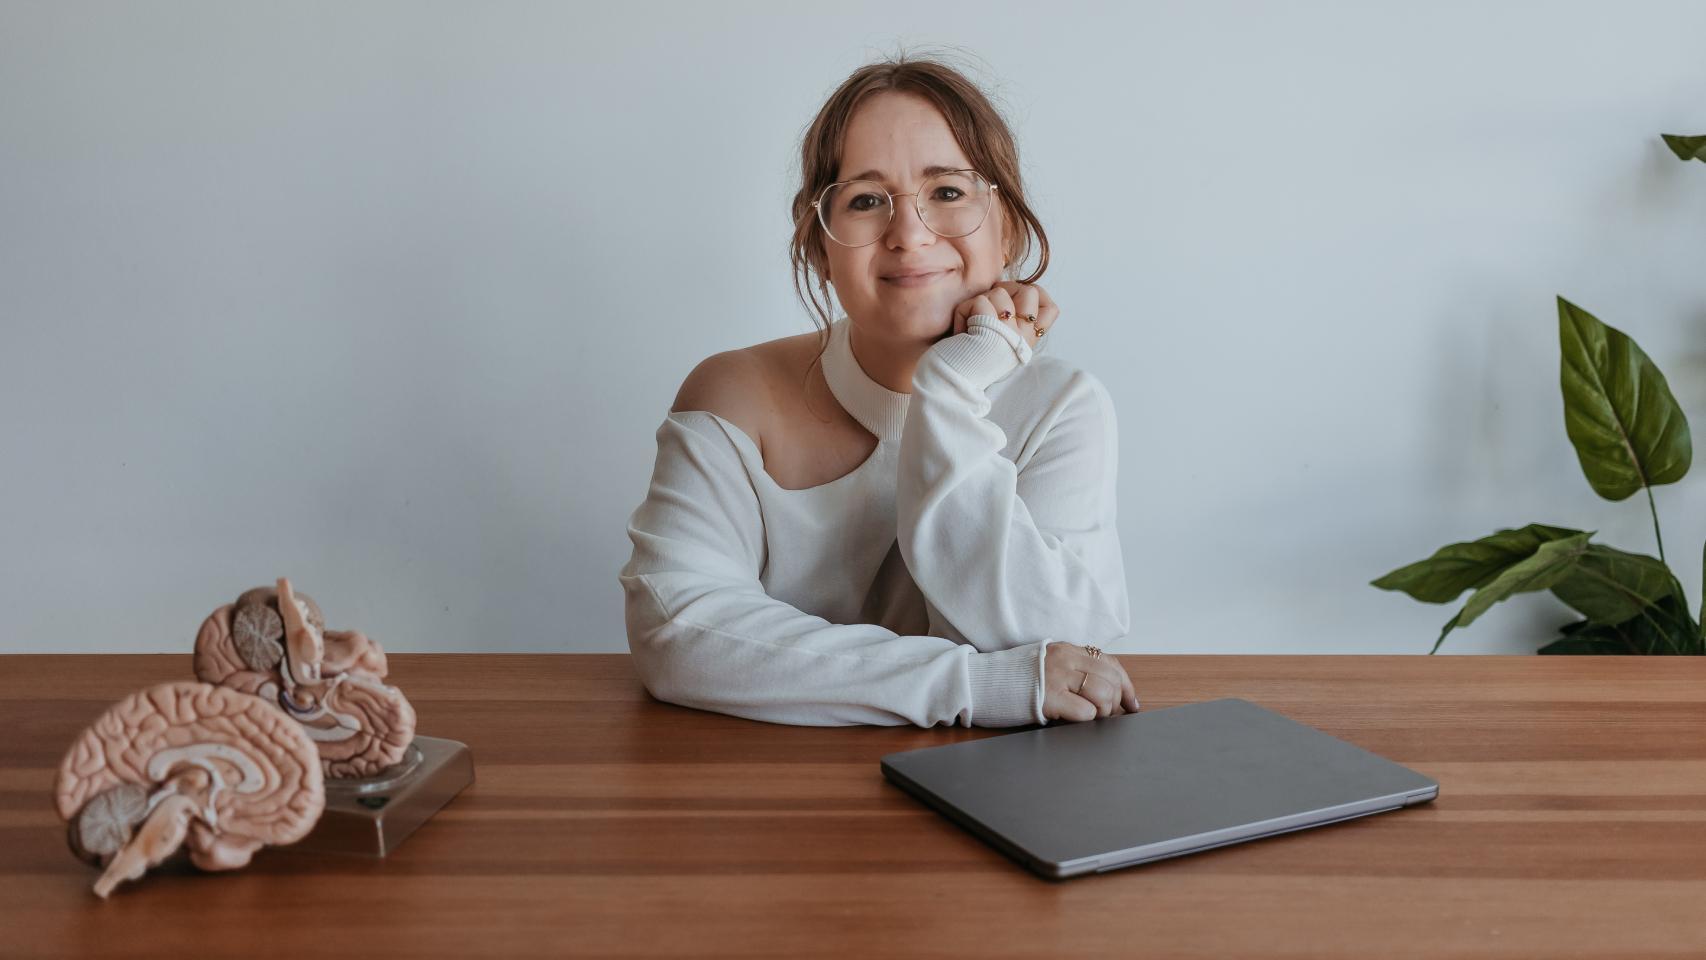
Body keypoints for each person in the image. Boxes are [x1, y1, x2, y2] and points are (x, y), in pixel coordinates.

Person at [617, 54, 1138, 727]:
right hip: (760, 778)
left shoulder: (1062, 407)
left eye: (947, 191)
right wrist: (973, 684)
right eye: (866, 200)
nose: (909, 234)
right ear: (818, 244)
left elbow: (1056, 647)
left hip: (990, 781)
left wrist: (950, 390)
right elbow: (679, 633)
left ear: (1007, 225)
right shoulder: (736, 396)